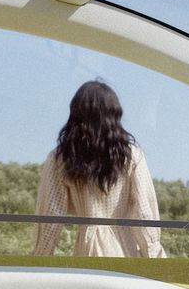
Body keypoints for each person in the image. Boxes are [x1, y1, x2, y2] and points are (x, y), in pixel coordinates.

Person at [33, 80, 166, 257]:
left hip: (87, 250)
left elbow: (51, 217)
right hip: (125, 250)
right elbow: (143, 213)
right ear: (114, 116)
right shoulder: (132, 156)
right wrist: (156, 258)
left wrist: (39, 260)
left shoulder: (61, 158)